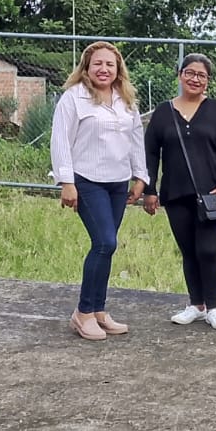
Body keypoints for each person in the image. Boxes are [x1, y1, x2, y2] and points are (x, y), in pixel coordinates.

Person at [50, 41, 148, 340]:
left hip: (118, 182)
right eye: (97, 64)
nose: (103, 69)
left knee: (108, 246)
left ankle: (99, 310)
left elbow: (136, 139)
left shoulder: (125, 99)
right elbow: (60, 139)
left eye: (109, 64)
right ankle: (83, 313)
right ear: (86, 68)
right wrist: (66, 181)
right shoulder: (73, 98)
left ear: (118, 69)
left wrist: (140, 176)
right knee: (104, 242)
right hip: (86, 180)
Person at [143, 53, 216, 330]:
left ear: (208, 81)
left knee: (208, 250)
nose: (195, 79)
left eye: (201, 75)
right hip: (176, 193)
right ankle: (196, 305)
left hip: (213, 195)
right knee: (188, 251)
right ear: (180, 75)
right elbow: (150, 153)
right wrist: (149, 189)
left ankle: (213, 308)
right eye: (190, 73)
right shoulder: (163, 112)